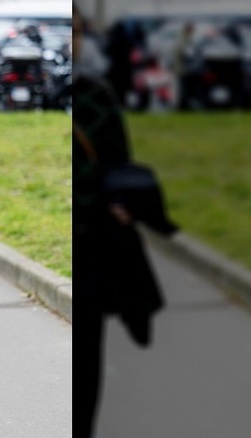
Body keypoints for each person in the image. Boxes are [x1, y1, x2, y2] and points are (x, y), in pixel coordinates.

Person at [73, 6, 167, 437]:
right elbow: (118, 168)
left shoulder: (92, 93)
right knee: (85, 355)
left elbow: (118, 168)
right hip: (86, 238)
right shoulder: (92, 92)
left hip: (88, 242)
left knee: (84, 352)